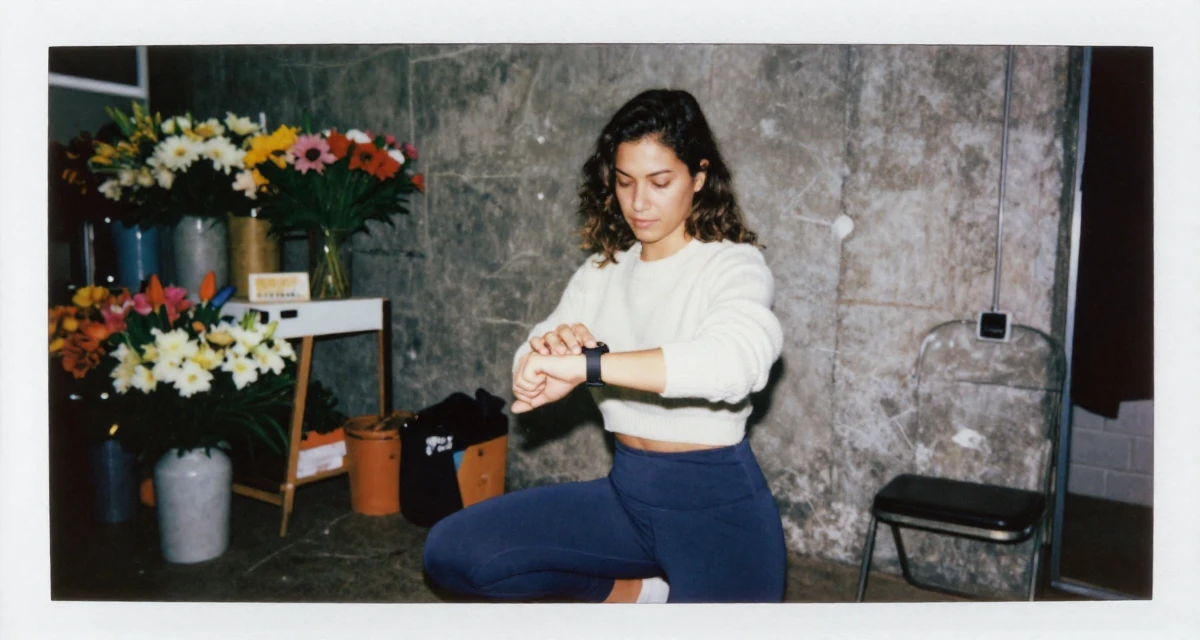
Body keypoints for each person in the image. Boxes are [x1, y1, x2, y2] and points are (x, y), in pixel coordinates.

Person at [422, 88, 786, 603]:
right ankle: (638, 595)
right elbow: (532, 351)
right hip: (626, 498)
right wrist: (539, 363)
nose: (638, 202)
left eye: (660, 182)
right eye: (624, 181)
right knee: (452, 552)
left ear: (699, 176)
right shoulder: (603, 271)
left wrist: (591, 366)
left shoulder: (733, 265)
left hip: (716, 510)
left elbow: (736, 363)